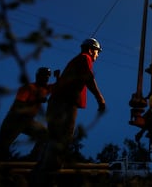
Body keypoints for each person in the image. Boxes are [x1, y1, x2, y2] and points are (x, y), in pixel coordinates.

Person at [33, 38, 106, 182]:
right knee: (63, 138)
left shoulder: (76, 61)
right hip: (64, 104)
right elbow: (88, 78)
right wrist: (100, 99)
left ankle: (41, 172)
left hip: (58, 103)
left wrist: (59, 78)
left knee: (56, 138)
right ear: (91, 50)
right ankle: (49, 175)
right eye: (97, 52)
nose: (97, 55)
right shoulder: (85, 58)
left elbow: (68, 82)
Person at [0, 67, 57, 161]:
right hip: (15, 119)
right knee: (4, 145)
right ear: (38, 76)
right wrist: (36, 100)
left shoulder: (45, 89)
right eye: (44, 76)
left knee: (45, 135)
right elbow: (18, 106)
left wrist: (58, 77)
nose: (46, 78)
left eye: (48, 77)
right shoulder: (28, 88)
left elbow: (59, 86)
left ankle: (33, 159)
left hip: (28, 121)